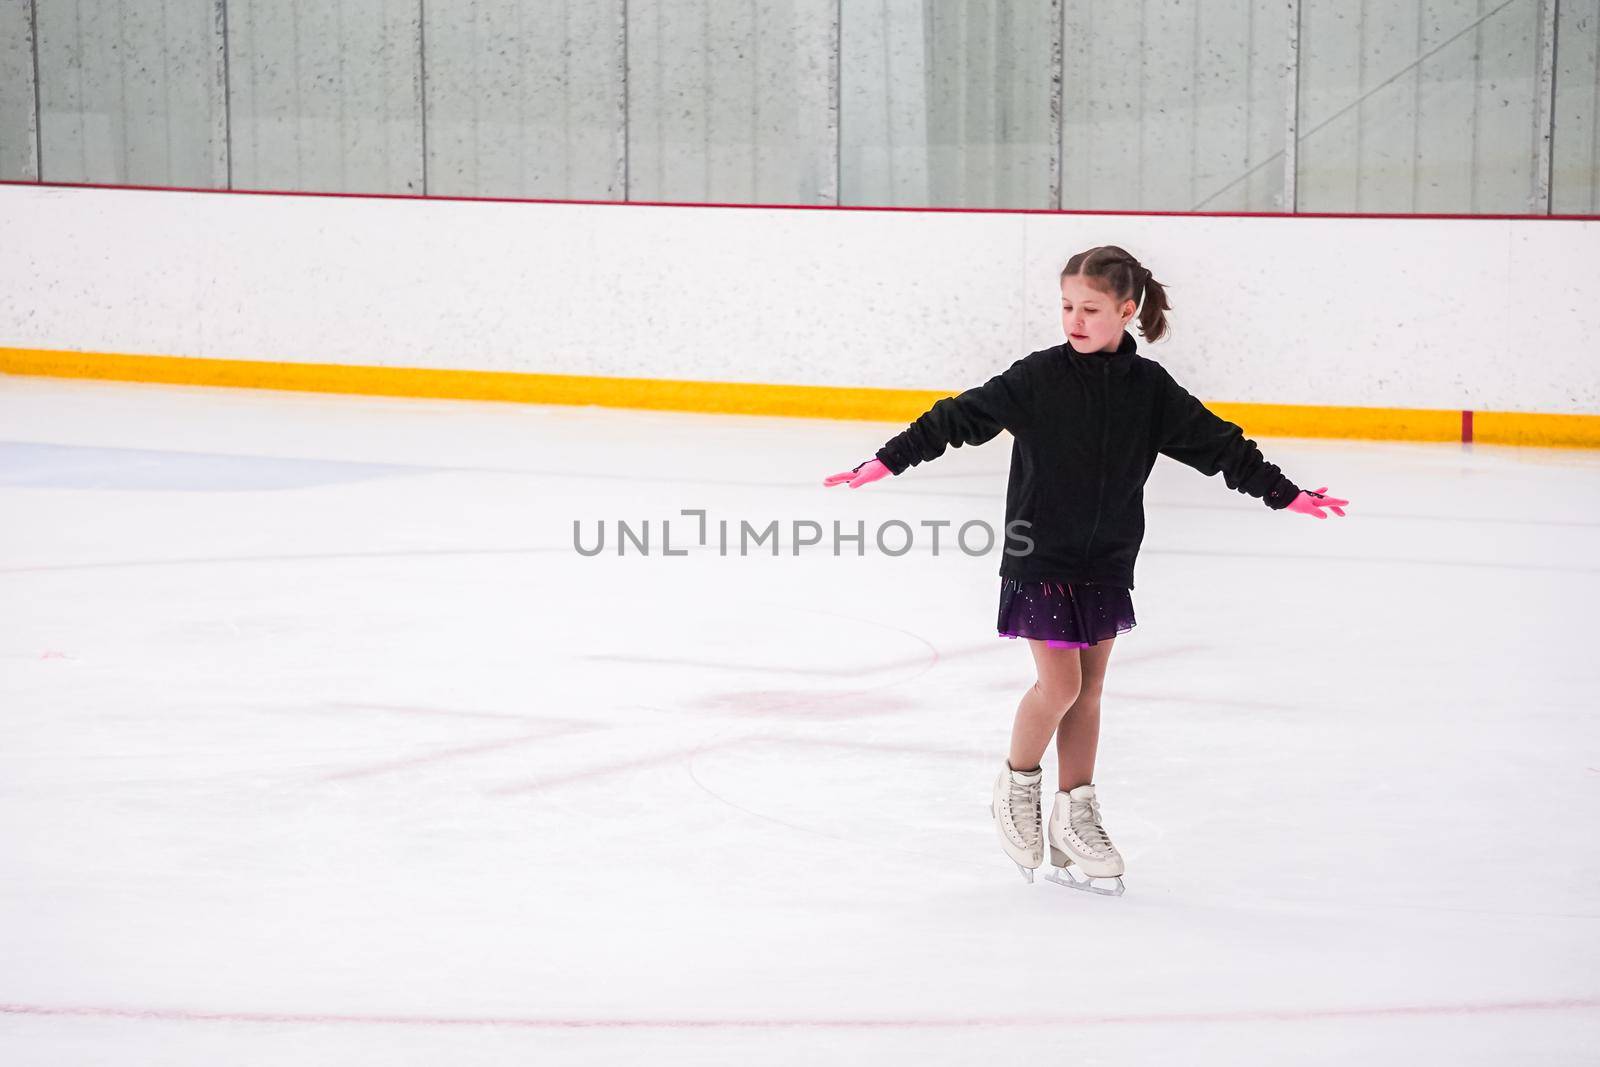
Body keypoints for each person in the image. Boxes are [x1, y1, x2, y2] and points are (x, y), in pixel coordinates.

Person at [823, 245, 1349, 895]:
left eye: (1091, 308)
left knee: (1091, 690)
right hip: (1039, 553)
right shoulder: (1038, 378)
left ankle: (1075, 812)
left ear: (1127, 311)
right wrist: (888, 459)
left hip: (1106, 559)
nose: (1074, 318)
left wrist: (1285, 491)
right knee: (1061, 685)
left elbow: (1220, 445)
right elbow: (957, 417)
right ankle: (1017, 785)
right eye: (1067, 305)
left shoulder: (1149, 391)